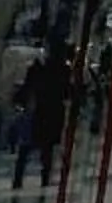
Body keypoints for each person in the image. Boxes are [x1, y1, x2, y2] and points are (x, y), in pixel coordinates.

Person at [9, 47, 72, 192]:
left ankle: (18, 180)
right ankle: (44, 178)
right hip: (54, 112)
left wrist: (19, 101)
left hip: (38, 111)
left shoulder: (37, 69)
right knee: (47, 148)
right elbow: (67, 92)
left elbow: (26, 88)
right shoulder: (63, 70)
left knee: (26, 147)